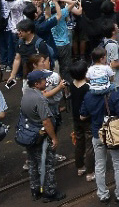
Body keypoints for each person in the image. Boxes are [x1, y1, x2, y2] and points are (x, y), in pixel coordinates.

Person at [81, 61, 119, 203]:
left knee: (100, 165)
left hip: (97, 134)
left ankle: (102, 194)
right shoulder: (115, 95)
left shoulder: (88, 96)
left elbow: (82, 116)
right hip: (114, 135)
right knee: (118, 164)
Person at [22, 69, 66, 202]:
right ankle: (49, 192)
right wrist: (54, 138)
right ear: (36, 84)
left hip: (29, 135)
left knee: (33, 164)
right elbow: (46, 121)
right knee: (47, 164)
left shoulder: (26, 94)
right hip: (41, 136)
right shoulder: (39, 99)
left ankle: (36, 190)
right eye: (43, 80)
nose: (46, 81)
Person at [68, 61, 94, 181]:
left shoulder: (72, 85)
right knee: (90, 145)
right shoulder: (88, 87)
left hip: (75, 118)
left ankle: (80, 166)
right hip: (87, 118)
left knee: (79, 142)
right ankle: (90, 172)